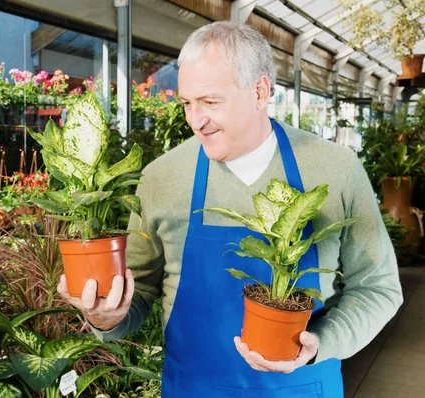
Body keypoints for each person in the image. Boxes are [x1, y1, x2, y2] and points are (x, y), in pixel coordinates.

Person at [57, 20, 403, 397]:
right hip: (192, 388)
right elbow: (137, 293)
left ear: (260, 91)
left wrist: (322, 342)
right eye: (187, 103)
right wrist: (104, 316)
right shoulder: (162, 177)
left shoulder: (335, 169)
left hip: (302, 386)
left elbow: (378, 287)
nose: (195, 120)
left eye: (210, 102)